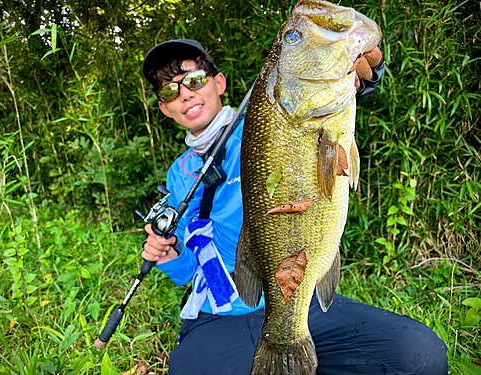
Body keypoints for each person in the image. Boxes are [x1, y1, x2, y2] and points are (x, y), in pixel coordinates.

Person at [141, 39, 448, 375]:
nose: (184, 93)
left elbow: (317, 110)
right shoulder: (180, 174)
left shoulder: (272, 121)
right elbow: (189, 270)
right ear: (164, 108)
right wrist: (170, 257)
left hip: (299, 299)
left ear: (219, 83)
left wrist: (362, 77)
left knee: (420, 355)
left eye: (195, 80)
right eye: (170, 91)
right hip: (217, 314)